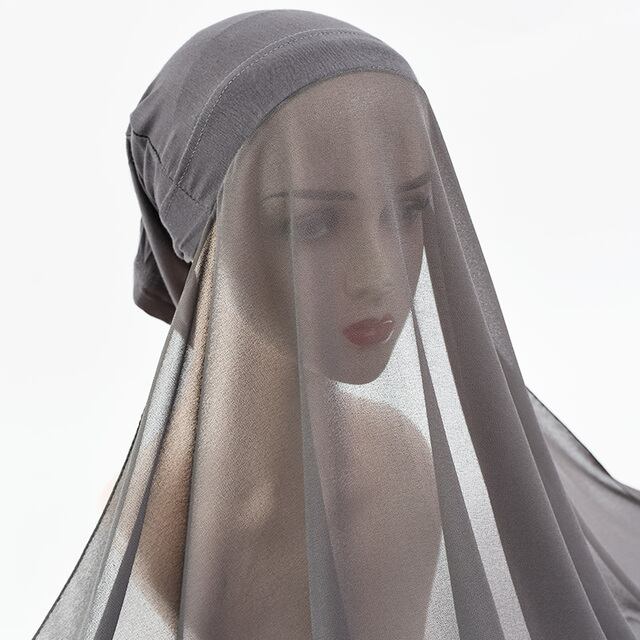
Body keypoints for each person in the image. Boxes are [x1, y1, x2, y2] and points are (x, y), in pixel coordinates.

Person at [32, 9, 640, 640]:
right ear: (199, 239)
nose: (380, 274)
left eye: (408, 208)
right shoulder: (156, 507)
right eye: (315, 224)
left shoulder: (388, 476)